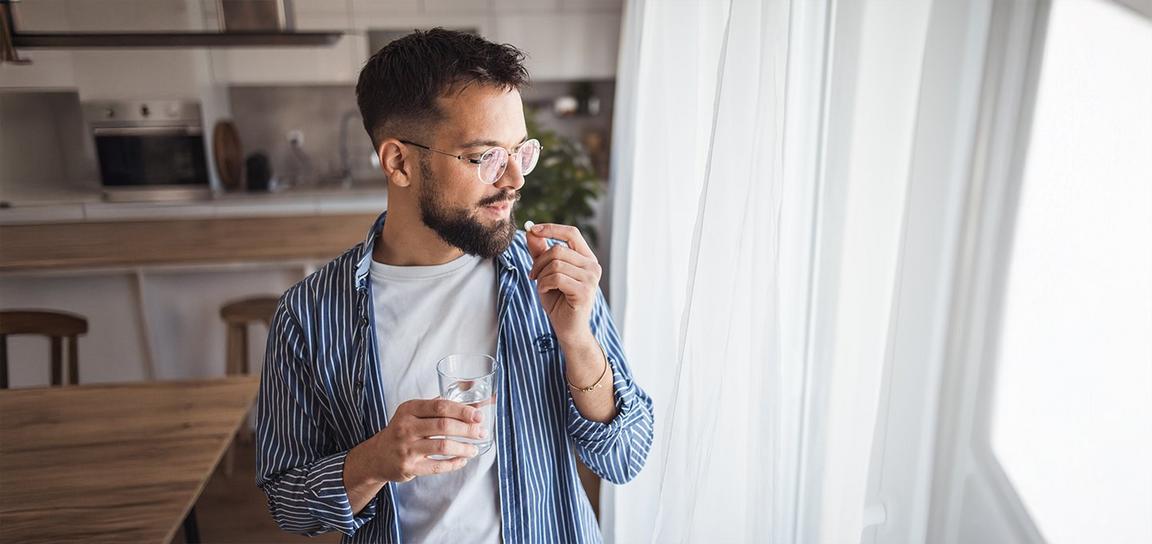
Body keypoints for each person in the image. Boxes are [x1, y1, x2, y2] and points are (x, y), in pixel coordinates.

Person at [255, 28, 654, 543]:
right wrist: (373, 462)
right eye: (484, 156)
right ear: (399, 162)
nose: (514, 179)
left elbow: (626, 456)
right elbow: (289, 507)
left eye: (519, 151)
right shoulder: (308, 315)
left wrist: (579, 342)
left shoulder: (553, 275)